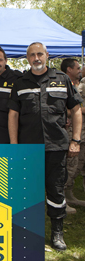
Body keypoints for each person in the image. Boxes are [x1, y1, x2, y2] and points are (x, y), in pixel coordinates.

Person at [9, 42, 82, 251]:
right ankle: (31, 233)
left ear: (47, 55)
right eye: (32, 55)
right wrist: (15, 145)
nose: (36, 58)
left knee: (56, 192)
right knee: (29, 192)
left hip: (56, 146)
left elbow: (76, 110)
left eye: (40, 53)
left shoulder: (62, 79)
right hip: (28, 148)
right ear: (27, 58)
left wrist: (75, 140)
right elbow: (13, 115)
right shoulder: (21, 82)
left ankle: (57, 233)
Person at [61, 58, 85, 213]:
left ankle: (70, 195)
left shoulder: (78, 85)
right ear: (69, 69)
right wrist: (80, 110)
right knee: (69, 166)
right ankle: (60, 198)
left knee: (78, 164)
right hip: (69, 132)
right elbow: (63, 109)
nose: (80, 70)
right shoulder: (63, 86)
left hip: (81, 132)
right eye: (77, 68)